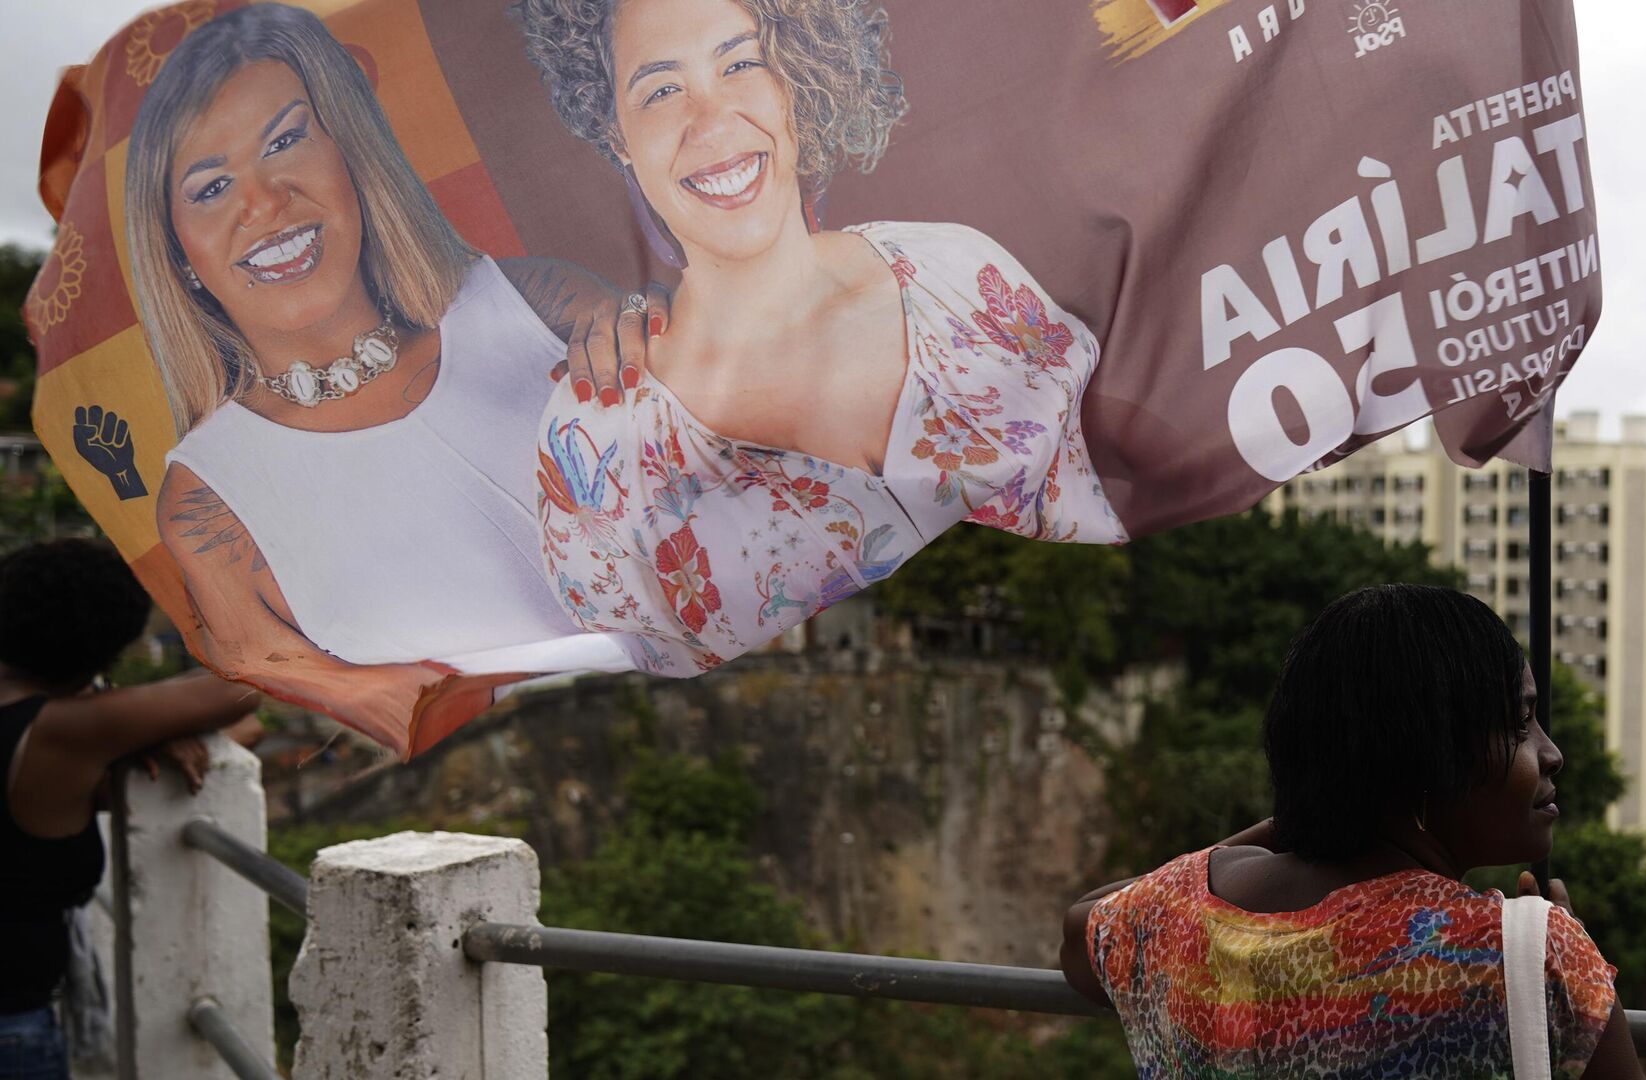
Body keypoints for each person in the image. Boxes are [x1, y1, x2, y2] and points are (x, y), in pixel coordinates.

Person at [516, 0, 1126, 673]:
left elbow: (1111, 502)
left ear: (797, 75)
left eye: (742, 63)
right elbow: (603, 688)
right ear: (616, 131)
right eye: (662, 90)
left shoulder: (955, 276)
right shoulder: (593, 447)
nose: (712, 120)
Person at [126, 3, 662, 752]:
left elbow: (741, 462)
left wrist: (666, 342)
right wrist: (339, 686)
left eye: (285, 141)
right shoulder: (206, 495)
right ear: (177, 248)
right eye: (210, 187)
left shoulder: (543, 308)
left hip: (703, 752)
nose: (263, 203)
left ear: (352, 153)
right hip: (483, 818)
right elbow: (260, 658)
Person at [1059, 585, 1643, 1079]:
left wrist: (1287, 824)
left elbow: (1082, 922)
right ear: (1428, 756)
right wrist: (1561, 952)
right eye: (1521, 723)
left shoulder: (1177, 912)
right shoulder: (1527, 955)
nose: (1552, 753)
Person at [1, 540, 261, 1080]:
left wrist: (131, 731)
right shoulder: (64, 731)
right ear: (105, 654)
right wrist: (137, 727)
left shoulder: (61, 732)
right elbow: (242, 690)